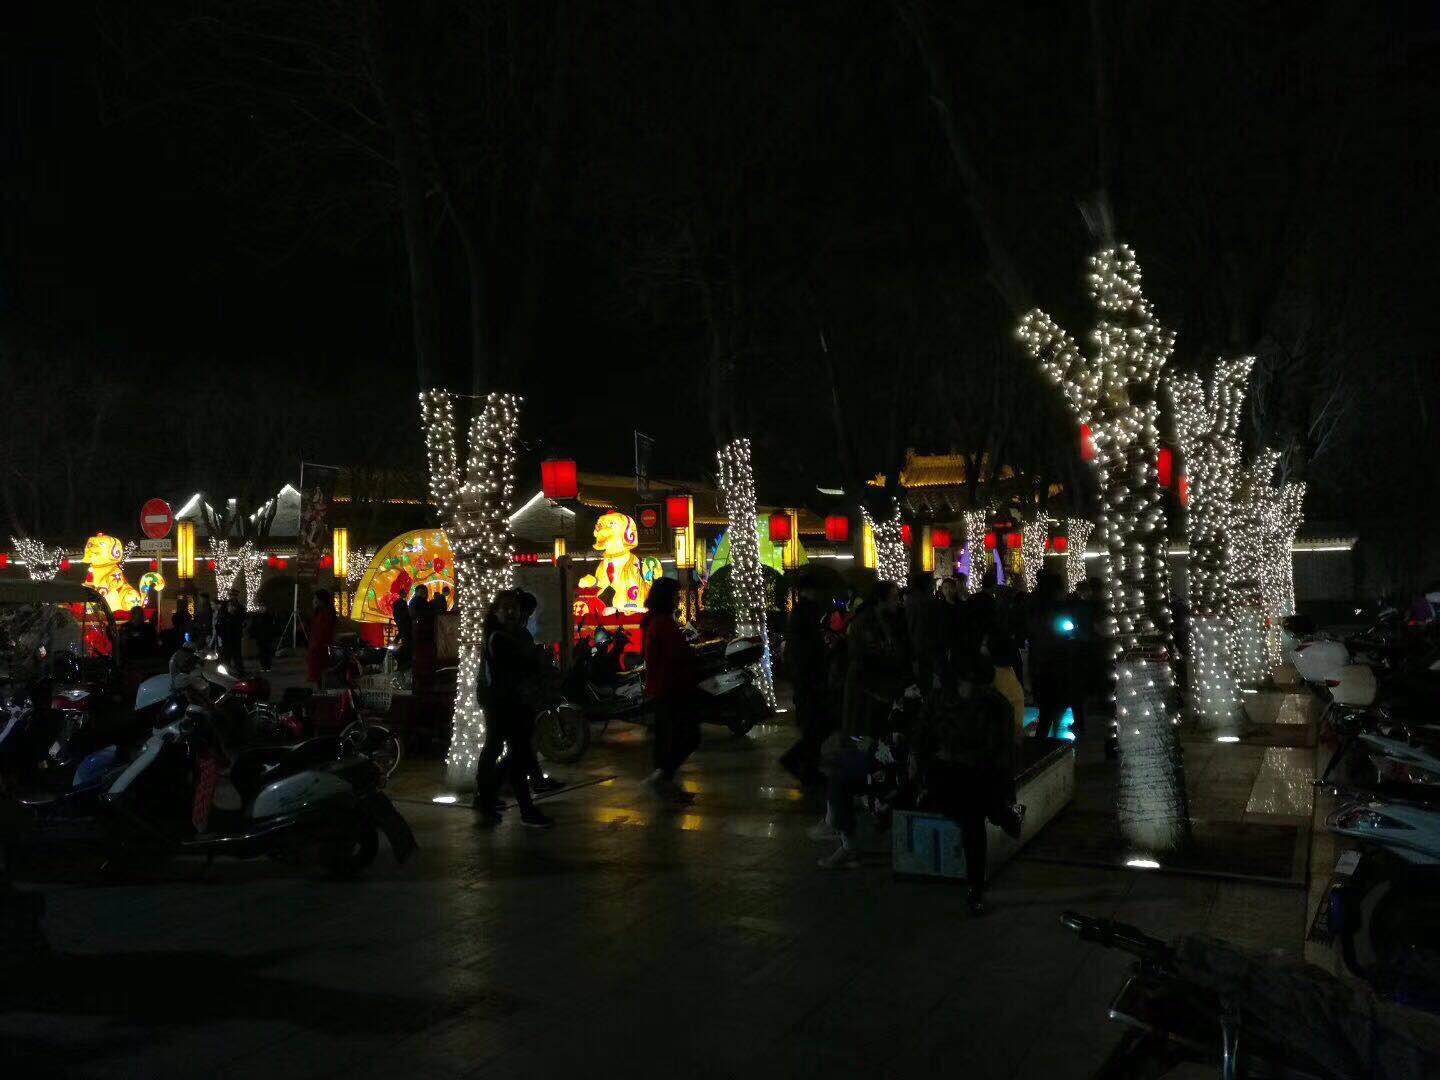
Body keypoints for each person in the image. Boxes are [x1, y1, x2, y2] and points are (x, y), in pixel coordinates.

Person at [913, 653, 1022, 914]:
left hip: (979, 772)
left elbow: (1002, 752)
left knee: (972, 816)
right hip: (946, 771)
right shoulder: (939, 701)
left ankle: (975, 887)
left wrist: (1002, 784)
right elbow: (922, 739)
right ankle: (999, 812)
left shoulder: (995, 705)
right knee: (970, 810)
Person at [473, 590, 554, 828]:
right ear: (496, 612)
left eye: (514, 608)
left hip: (510, 704)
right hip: (505, 706)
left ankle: (488, 797)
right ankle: (520, 809)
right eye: (505, 608)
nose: (510, 612)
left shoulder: (512, 635)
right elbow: (521, 667)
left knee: (510, 753)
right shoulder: (500, 638)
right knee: (514, 755)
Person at [639, 576, 700, 804]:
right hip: (671, 689)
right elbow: (675, 656)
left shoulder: (655, 621)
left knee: (669, 737)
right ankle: (662, 777)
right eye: (675, 596)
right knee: (687, 735)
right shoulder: (663, 624)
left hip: (663, 688)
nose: (678, 600)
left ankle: (664, 780)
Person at [841, 580, 909, 739]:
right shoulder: (866, 621)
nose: (897, 602)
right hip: (866, 684)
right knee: (862, 731)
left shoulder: (887, 618)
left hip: (876, 684)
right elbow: (872, 652)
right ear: (880, 599)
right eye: (893, 597)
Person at [779, 582, 831, 786]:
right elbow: (807, 652)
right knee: (815, 728)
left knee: (815, 728)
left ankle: (807, 768)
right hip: (810, 681)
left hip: (806, 680)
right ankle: (799, 764)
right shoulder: (806, 615)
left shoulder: (800, 616)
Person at [1027, 573, 1079, 741]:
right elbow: (1067, 630)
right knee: (1055, 706)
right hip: (1057, 662)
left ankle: (1043, 742)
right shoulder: (1058, 608)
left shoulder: (1034, 608)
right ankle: (1051, 741)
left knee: (1046, 711)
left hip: (1040, 663)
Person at [904, 571, 946, 694]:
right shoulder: (930, 602)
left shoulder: (910, 600)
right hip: (928, 644)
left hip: (915, 642)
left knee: (921, 675)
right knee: (928, 675)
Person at [306, 590, 337, 688]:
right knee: (319, 674)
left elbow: (324, 630)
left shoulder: (326, 613)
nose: (313, 601)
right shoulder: (319, 612)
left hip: (321, 646)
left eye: (315, 599)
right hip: (317, 646)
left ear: (320, 600)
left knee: (323, 672)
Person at [409, 586, 437, 694]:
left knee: (420, 661)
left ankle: (420, 687)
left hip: (419, 635)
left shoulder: (415, 603)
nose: (425, 594)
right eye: (423, 592)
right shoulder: (420, 603)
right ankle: (423, 687)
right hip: (423, 635)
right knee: (424, 661)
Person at [216, 599, 246, 675]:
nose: (232, 608)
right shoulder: (224, 617)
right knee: (227, 657)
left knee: (236, 656)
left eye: (233, 607)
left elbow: (239, 627)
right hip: (227, 640)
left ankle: (239, 671)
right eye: (230, 606)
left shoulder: (236, 617)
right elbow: (219, 628)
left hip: (234, 639)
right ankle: (227, 672)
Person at [247, 602, 277, 673]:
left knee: (267, 652)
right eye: (261, 607)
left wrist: (272, 634)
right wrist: (253, 635)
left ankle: (267, 666)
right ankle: (263, 666)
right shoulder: (256, 616)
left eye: (263, 607)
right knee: (261, 652)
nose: (262, 608)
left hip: (267, 637)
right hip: (259, 638)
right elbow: (252, 627)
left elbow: (273, 627)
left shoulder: (269, 616)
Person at [391, 590, 413, 671]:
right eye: (405, 594)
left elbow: (395, 613)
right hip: (404, 621)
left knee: (402, 632)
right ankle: (403, 654)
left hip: (400, 621)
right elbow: (406, 613)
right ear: (402, 594)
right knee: (404, 634)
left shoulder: (396, 603)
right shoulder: (402, 603)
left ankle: (395, 643)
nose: (406, 595)